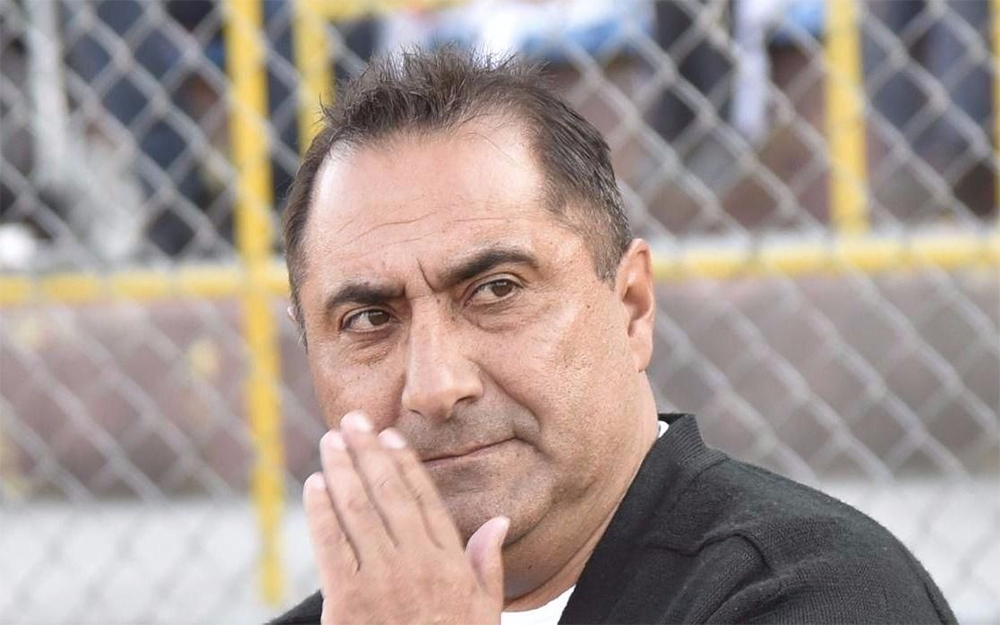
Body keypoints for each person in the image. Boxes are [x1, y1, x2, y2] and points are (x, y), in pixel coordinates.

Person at [271, 47, 955, 624]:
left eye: (497, 290)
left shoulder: (823, 595)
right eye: (369, 320)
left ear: (632, 306)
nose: (436, 386)